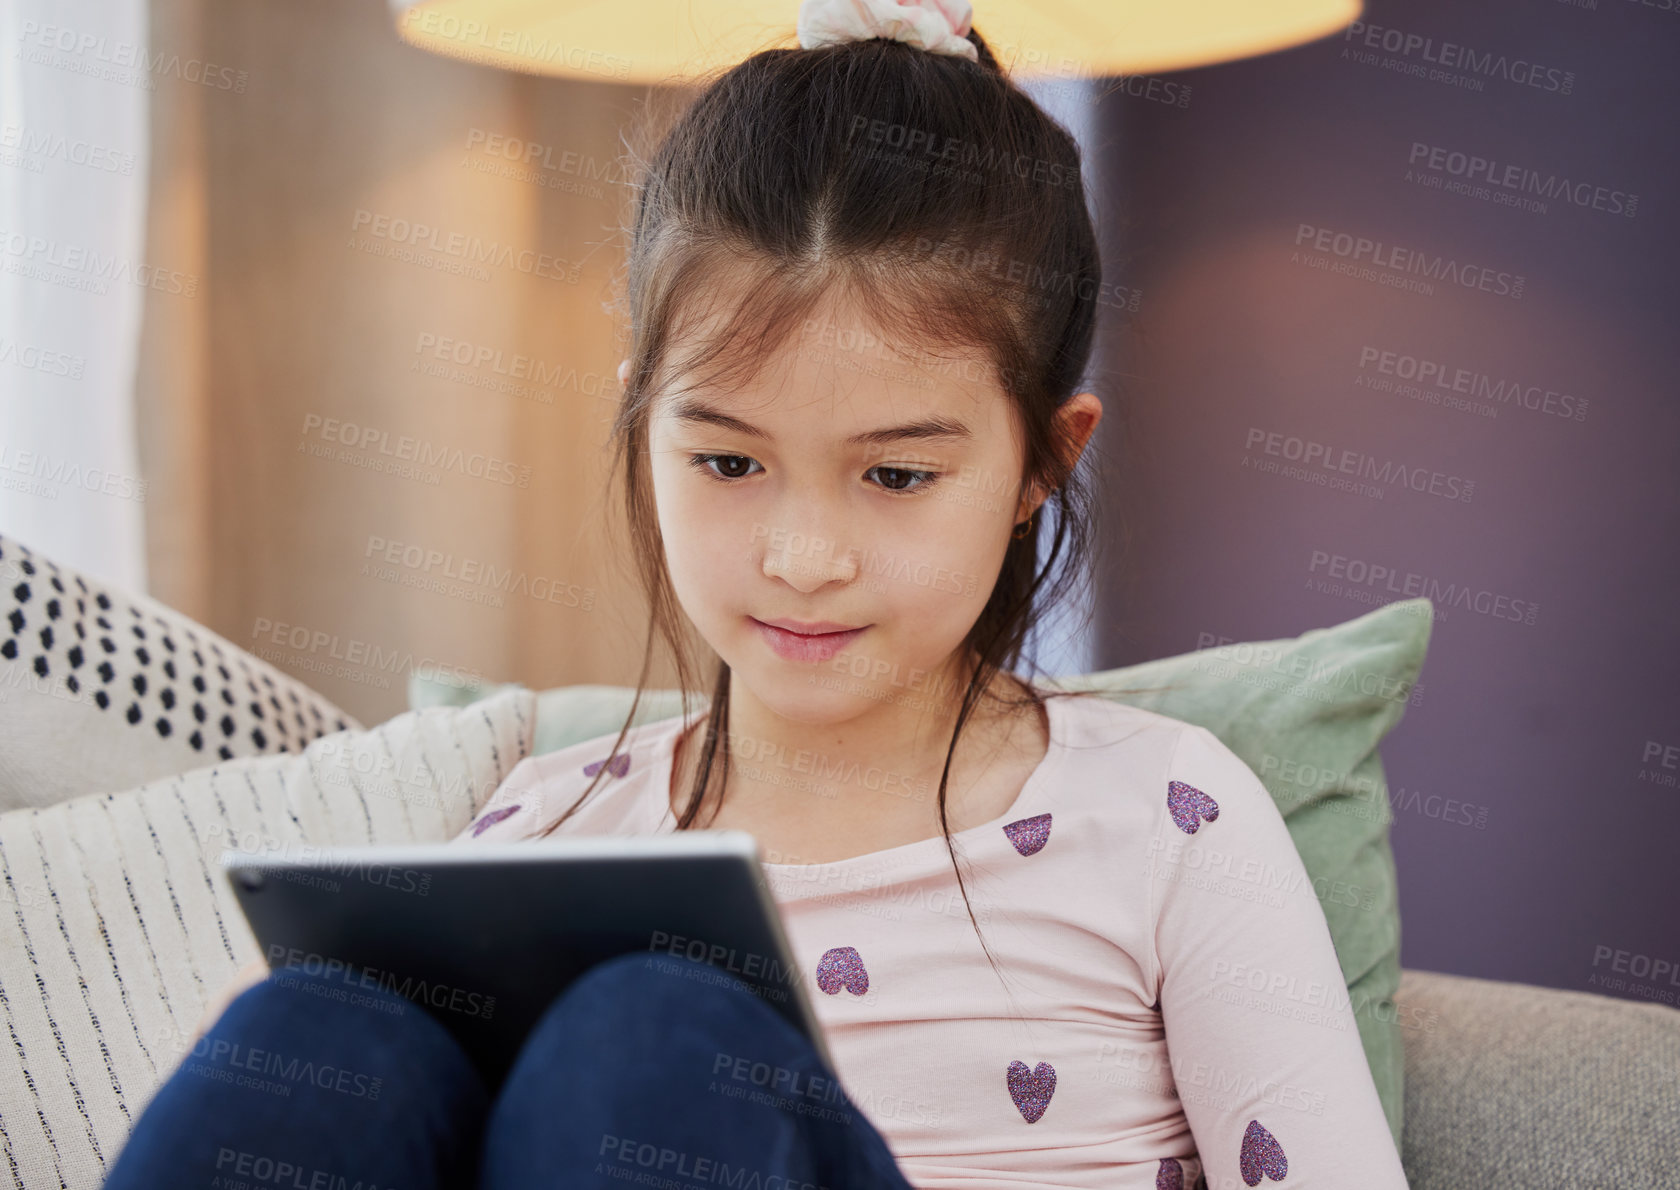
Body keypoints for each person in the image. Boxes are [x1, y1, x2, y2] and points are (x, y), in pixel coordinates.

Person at [105, 0, 1412, 1186]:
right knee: (315, 1022)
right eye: (729, 460)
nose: (802, 554)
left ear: (1039, 463)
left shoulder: (1166, 816)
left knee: (653, 1033)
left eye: (895, 476)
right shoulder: (536, 840)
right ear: (641, 421)